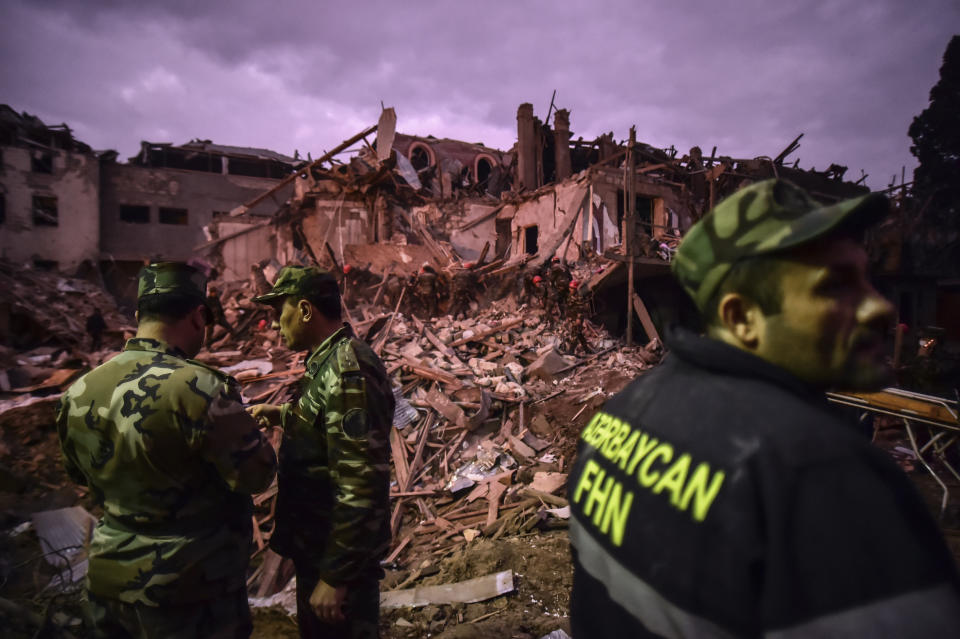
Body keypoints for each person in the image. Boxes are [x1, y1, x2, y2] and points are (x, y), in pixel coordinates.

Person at [567, 179, 960, 637]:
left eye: (865, 279)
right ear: (742, 318)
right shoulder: (820, 472)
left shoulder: (619, 415)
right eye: (836, 287)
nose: (879, 306)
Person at [57, 262, 277, 639]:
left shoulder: (78, 391)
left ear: (140, 314)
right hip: (191, 592)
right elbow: (256, 475)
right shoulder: (200, 388)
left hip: (108, 584)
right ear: (197, 317)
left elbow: (81, 476)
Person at [249, 266, 394, 639]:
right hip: (319, 547)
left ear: (306, 310)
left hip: (337, 561)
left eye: (280, 312)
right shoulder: (326, 362)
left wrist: (337, 575)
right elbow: (325, 422)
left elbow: (360, 482)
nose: (276, 325)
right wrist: (281, 414)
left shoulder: (349, 372)